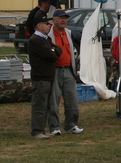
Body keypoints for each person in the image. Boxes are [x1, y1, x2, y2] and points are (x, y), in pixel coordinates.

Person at [47, 10, 83, 136]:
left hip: (68, 69)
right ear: (54, 20)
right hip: (54, 70)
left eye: (65, 18)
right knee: (53, 100)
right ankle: (54, 127)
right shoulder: (49, 34)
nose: (63, 20)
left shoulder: (68, 33)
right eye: (60, 18)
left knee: (72, 99)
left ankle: (71, 124)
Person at [28, 11, 62, 139]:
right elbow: (52, 55)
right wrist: (52, 51)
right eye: (46, 24)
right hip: (41, 77)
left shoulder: (45, 39)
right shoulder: (36, 40)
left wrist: (53, 50)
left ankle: (42, 128)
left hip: (49, 76)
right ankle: (37, 130)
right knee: (39, 105)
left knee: (48, 105)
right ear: (38, 25)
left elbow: (57, 49)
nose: (49, 26)